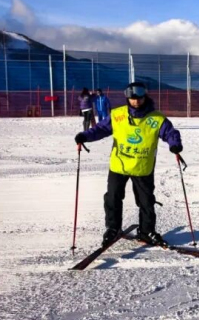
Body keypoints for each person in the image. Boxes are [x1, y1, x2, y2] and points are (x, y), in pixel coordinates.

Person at [75, 82, 183, 246]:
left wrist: (174, 144)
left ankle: (146, 231)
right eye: (132, 98)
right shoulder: (118, 115)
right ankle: (113, 229)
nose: (136, 101)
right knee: (112, 198)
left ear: (145, 96)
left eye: (139, 98)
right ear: (127, 98)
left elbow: (170, 132)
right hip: (119, 165)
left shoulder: (156, 118)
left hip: (142, 167)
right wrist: (84, 136)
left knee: (146, 201)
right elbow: (101, 129)